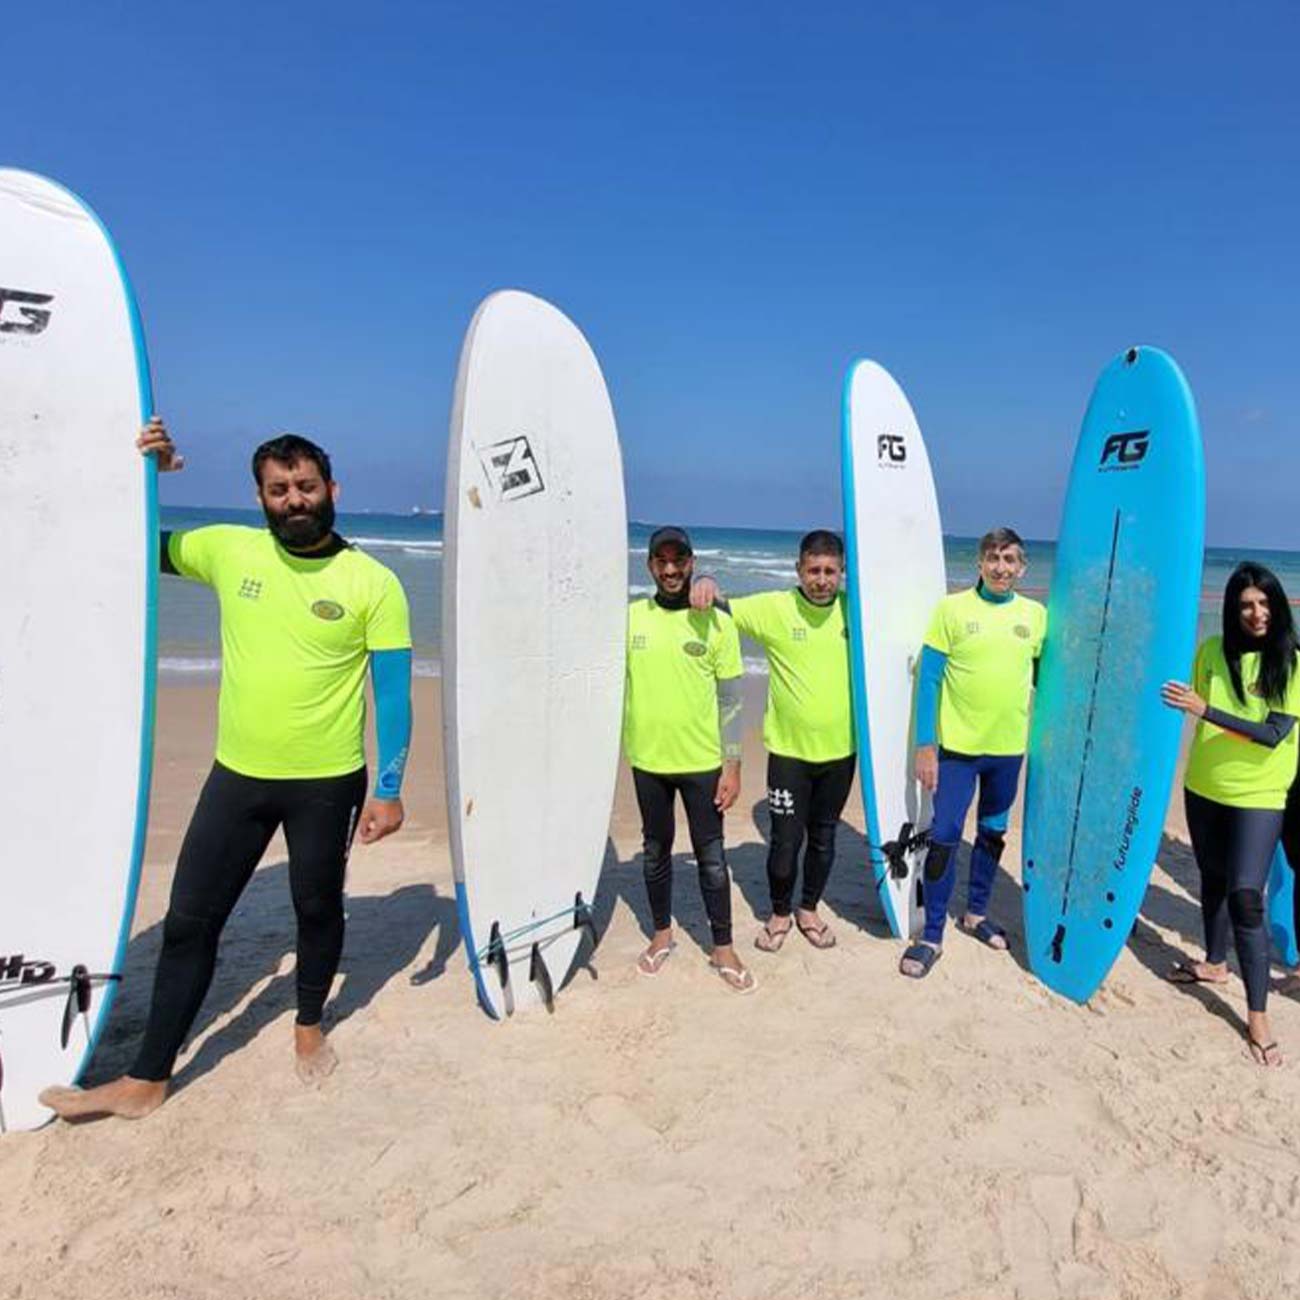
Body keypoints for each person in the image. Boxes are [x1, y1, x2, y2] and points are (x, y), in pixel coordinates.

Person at [40, 417, 413, 1120]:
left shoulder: (373, 581)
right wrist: (148, 476)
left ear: (331, 489)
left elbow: (392, 694)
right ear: (259, 498)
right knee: (188, 921)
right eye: (278, 490)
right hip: (236, 776)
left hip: (328, 783)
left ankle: (308, 1027)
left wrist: (389, 790)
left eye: (305, 486)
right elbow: (129, 545)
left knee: (315, 907)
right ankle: (148, 1079)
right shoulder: (225, 550)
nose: (294, 499)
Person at [1162, 562, 1300, 1067]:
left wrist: (1206, 710)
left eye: (1264, 603)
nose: (1257, 613)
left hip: (1260, 794)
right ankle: (1215, 965)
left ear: (1277, 606)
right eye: (1246, 605)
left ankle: (1258, 1015)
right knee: (1213, 879)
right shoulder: (1209, 654)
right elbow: (1179, 703)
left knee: (1246, 896)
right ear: (1232, 610)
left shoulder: (1290, 661)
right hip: (1204, 787)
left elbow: (1272, 733)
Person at [691, 530, 854, 952]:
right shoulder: (774, 609)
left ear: (842, 573)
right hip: (787, 754)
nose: (821, 579)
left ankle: (809, 910)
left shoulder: (858, 613)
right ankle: (780, 913)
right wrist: (704, 579)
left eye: (830, 571)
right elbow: (721, 605)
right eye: (813, 570)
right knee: (785, 841)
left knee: (824, 838)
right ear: (798, 570)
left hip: (842, 753)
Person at [900, 528, 1046, 978]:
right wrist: (926, 744)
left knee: (993, 832)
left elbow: (1047, 680)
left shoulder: (1037, 616)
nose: (1001, 568)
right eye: (993, 559)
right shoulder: (952, 609)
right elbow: (929, 680)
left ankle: (976, 914)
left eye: (1010, 560)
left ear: (1022, 567)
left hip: (1008, 750)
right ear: (979, 563)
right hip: (958, 751)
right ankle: (932, 936)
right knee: (944, 835)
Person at [623, 527, 754, 993]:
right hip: (648, 761)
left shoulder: (716, 622)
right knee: (655, 851)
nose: (671, 569)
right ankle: (662, 936)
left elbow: (732, 700)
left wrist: (733, 765)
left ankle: (723, 946)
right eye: (662, 560)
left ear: (693, 562)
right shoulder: (630, 618)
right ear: (650, 566)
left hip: (702, 763)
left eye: (679, 560)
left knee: (712, 858)